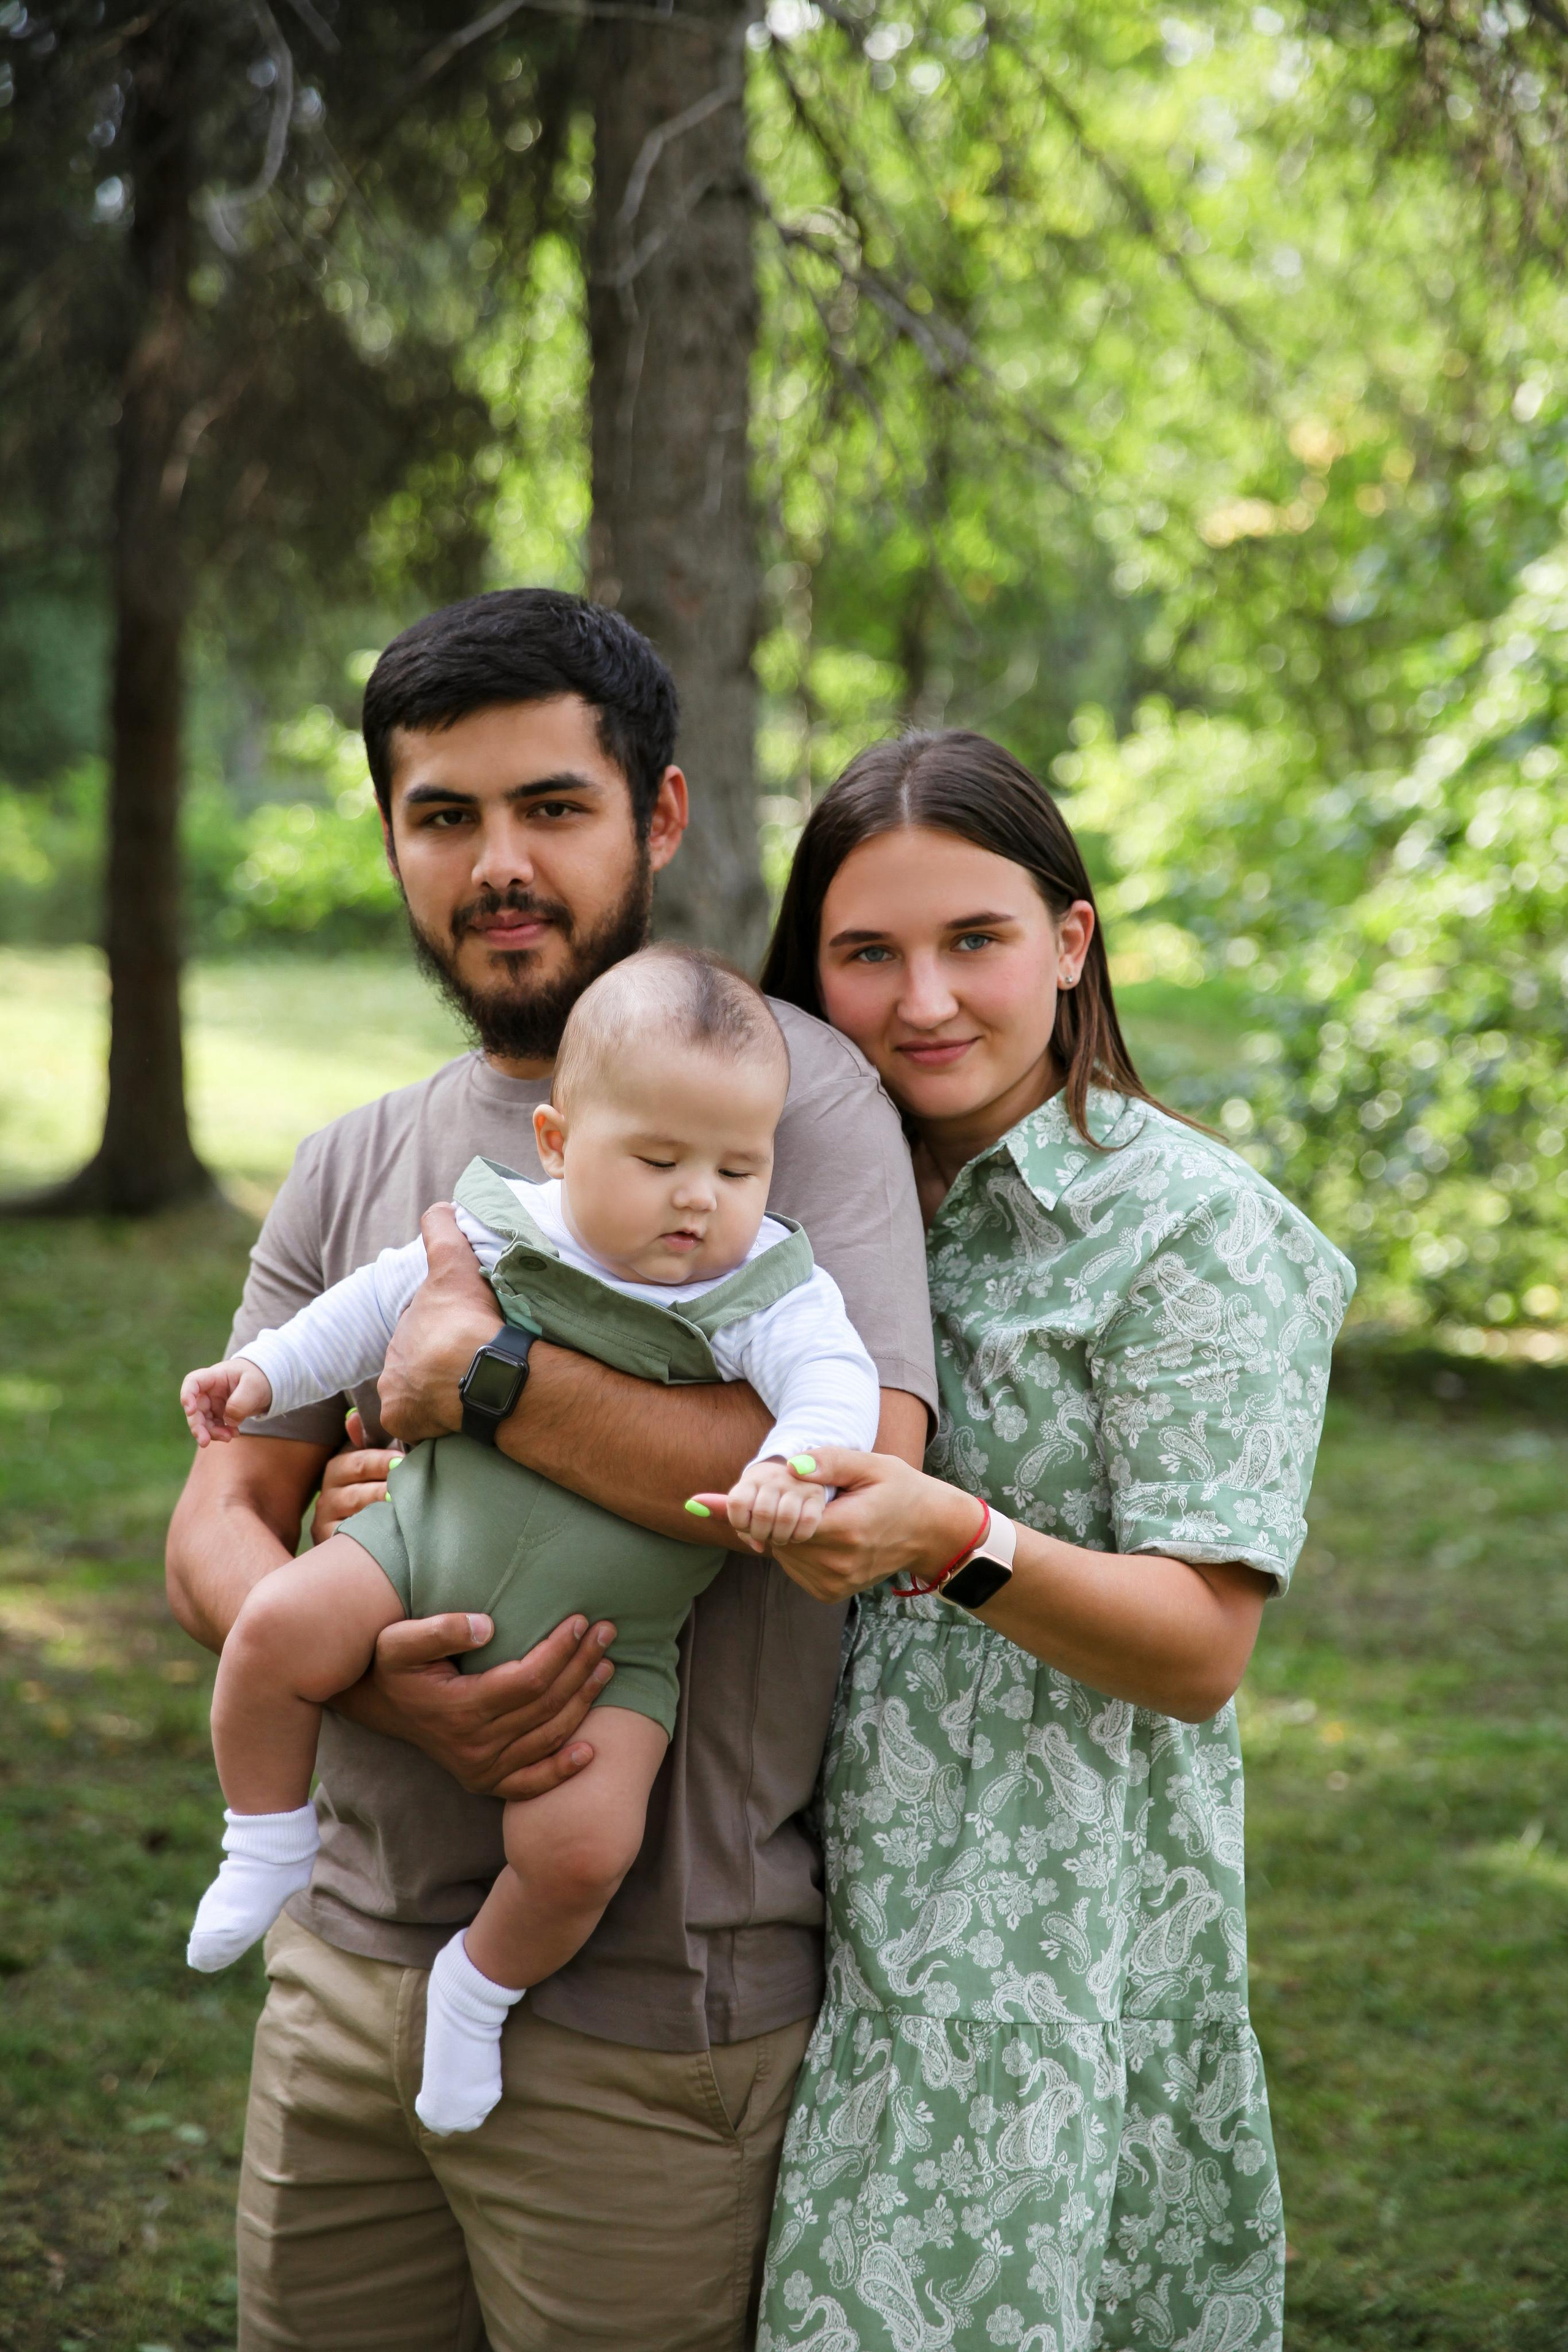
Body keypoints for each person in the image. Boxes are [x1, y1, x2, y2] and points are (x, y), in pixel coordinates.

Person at [164, 590, 938, 2352]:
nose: (497, 864)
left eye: (552, 809)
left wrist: (493, 1379)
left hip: (651, 2013)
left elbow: (863, 1477)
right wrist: (369, 1676)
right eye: (446, 817)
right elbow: (221, 1515)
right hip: (344, 1971)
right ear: (391, 838)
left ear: (657, 819)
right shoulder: (358, 1157)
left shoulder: (795, 1107)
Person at [718, 730, 1354, 2352]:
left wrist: (956, 1539)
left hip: (1034, 1994)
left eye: (975, 941)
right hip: (769, 1943)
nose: (923, 999)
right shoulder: (774, 1208)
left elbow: (1200, 1650)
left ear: (1072, 943)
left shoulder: (1197, 1236)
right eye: (869, 953)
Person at [178, 945, 880, 2140]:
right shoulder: (501, 1226)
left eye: (736, 1165)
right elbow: (368, 1310)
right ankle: (265, 1837)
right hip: (410, 1548)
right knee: (276, 1629)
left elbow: (836, 1385)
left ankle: (476, 1991)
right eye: (657, 1162)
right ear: (558, 1143)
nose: (698, 1198)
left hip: (610, 1648)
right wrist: (263, 1373)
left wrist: (791, 1465)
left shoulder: (763, 1284)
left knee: (581, 1845)